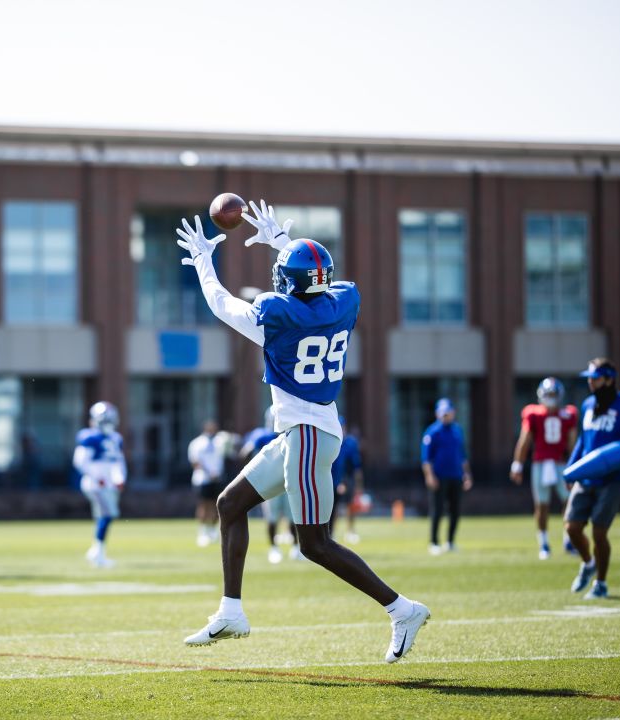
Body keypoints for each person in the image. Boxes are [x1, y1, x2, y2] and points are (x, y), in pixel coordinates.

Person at [174, 201, 430, 663]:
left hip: (309, 436)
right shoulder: (344, 300)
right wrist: (283, 242)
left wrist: (202, 261)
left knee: (314, 543)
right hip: (302, 432)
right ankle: (231, 610)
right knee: (230, 504)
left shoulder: (279, 315)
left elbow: (220, 303)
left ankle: (401, 609)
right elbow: (318, 280)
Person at [564, 359, 620, 599]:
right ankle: (588, 563)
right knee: (572, 527)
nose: (590, 382)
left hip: (613, 478)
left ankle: (600, 582)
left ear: (609, 379)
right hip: (587, 476)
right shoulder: (588, 404)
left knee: (599, 532)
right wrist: (573, 468)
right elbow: (583, 439)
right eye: (589, 378)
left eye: (595, 378)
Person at [510, 377, 579, 559]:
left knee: (569, 503)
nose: (550, 398)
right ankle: (544, 543)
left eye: (553, 394)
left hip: (561, 464)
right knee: (542, 505)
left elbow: (572, 444)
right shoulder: (533, 414)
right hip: (541, 463)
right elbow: (525, 440)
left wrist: (575, 466)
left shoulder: (568, 414)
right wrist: (517, 463)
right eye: (548, 394)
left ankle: (568, 539)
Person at [75, 401, 127, 568]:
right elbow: (80, 462)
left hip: (109, 484)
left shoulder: (116, 438)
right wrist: (98, 478)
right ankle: (97, 553)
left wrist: (119, 478)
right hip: (95, 484)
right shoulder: (90, 437)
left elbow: (117, 462)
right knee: (107, 514)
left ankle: (97, 551)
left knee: (102, 516)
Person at [239, 408, 293, 563]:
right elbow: (245, 453)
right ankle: (274, 548)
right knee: (273, 517)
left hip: (289, 481)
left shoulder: (290, 434)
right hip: (271, 482)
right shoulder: (262, 435)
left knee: (293, 516)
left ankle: (296, 547)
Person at [422, 398, 473, 554]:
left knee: (455, 510)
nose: (446, 416)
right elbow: (426, 458)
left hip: (456, 476)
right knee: (437, 510)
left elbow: (462, 455)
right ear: (438, 414)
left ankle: (450, 542)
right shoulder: (432, 432)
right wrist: (430, 476)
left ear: (453, 413)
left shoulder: (457, 430)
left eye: (448, 413)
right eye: (443, 413)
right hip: (439, 476)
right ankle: (434, 542)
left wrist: (467, 474)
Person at [188, 420, 225, 547]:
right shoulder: (197, 443)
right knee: (204, 505)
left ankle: (212, 530)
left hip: (217, 479)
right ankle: (202, 532)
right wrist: (209, 473)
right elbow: (195, 462)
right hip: (202, 479)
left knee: (217, 505)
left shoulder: (219, 441)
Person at [332, 416, 365, 544]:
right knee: (333, 509)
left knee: (350, 506)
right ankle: (331, 533)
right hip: (332, 479)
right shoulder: (330, 441)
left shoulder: (350, 443)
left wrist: (358, 485)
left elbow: (356, 466)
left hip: (347, 478)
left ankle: (350, 531)